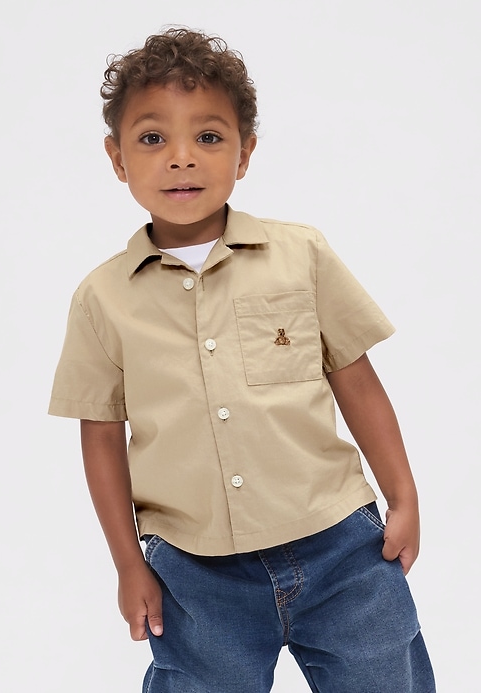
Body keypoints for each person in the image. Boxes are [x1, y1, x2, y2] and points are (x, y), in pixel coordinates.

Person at [49, 27, 435, 693]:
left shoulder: (302, 255)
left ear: (245, 152)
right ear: (117, 158)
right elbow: (101, 435)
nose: (181, 159)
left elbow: (355, 378)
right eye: (152, 138)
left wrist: (403, 495)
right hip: (195, 574)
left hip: (340, 546)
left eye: (207, 136)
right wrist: (128, 563)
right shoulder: (101, 299)